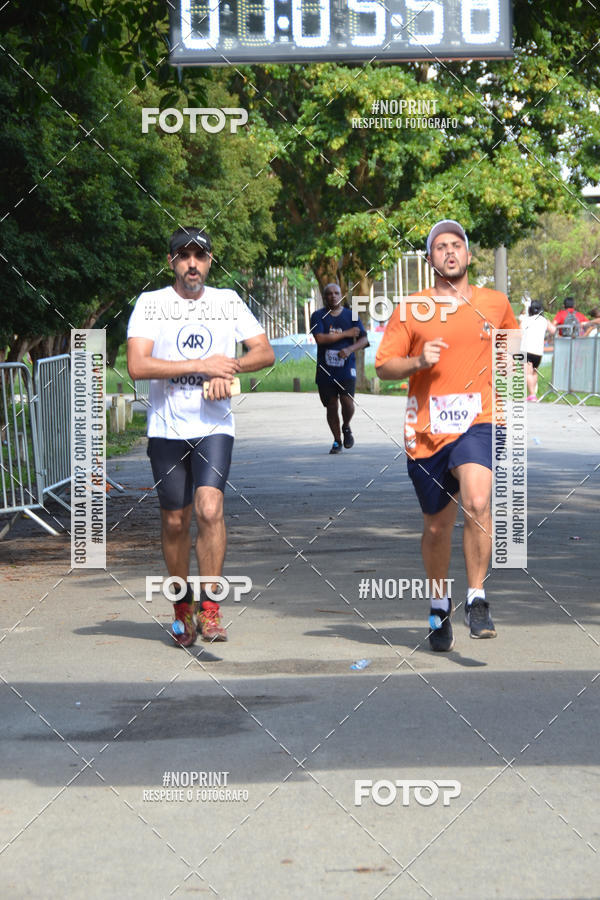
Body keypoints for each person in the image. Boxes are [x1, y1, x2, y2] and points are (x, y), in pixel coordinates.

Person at [127, 227, 274, 647]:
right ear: (171, 261)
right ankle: (181, 606)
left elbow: (264, 351)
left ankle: (210, 609)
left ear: (210, 262)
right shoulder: (152, 304)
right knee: (175, 520)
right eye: (184, 255)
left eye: (201, 256)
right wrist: (200, 363)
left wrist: (228, 368)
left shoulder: (227, 302)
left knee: (210, 509)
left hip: (213, 426)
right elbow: (138, 365)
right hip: (167, 428)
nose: (193, 263)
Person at [375, 219, 519, 652]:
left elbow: (508, 346)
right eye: (441, 247)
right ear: (430, 259)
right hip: (428, 431)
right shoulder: (412, 308)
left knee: (477, 500)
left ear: (469, 256)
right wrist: (418, 361)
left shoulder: (495, 303)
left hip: (481, 421)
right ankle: (439, 604)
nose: (450, 252)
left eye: (457, 245)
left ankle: (477, 598)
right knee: (437, 528)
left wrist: (515, 372)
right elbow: (383, 366)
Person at [310, 283, 368, 453]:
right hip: (325, 369)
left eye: (336, 293)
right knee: (331, 405)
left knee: (347, 401)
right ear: (324, 296)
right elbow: (320, 338)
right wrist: (345, 334)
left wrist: (350, 349)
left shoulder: (352, 316)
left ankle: (347, 426)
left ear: (341, 295)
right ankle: (337, 441)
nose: (333, 296)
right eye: (329, 293)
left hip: (346, 367)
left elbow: (364, 339)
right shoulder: (318, 316)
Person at [520, 300, 556, 401]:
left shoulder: (527, 320)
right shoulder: (544, 320)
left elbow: (519, 332)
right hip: (538, 351)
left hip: (526, 349)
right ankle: (533, 394)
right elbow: (554, 330)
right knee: (534, 372)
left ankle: (532, 394)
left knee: (527, 373)